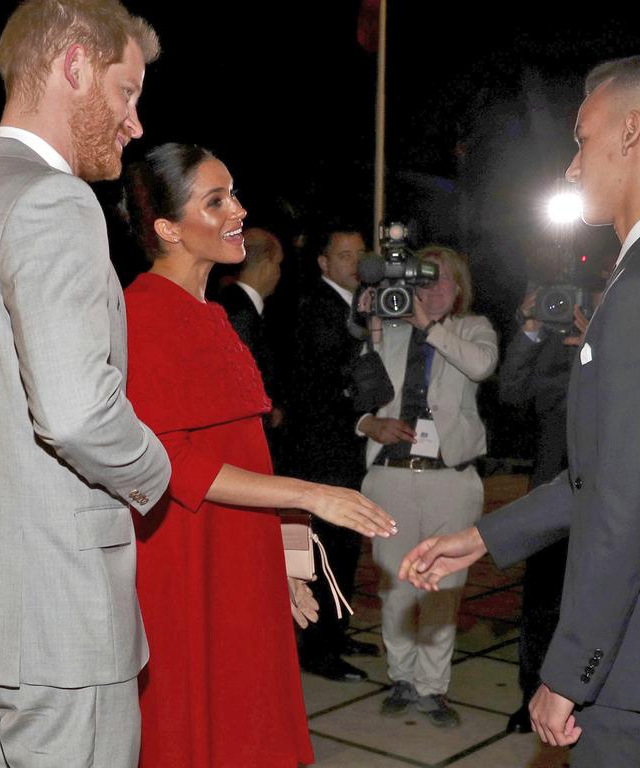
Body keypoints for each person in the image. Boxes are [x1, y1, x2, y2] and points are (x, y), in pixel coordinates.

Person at [400, 53, 640, 767]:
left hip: (631, 656)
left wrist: (568, 670)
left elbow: (626, 505)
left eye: (581, 140)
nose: (570, 167)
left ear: (631, 132)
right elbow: (617, 475)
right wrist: (487, 536)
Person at [0, 3, 171, 765]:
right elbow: (73, 414)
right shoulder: (53, 199)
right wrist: (155, 470)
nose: (135, 123)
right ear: (73, 66)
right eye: (126, 91)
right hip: (61, 621)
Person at [120, 143, 397, 768]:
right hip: (186, 552)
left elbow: (248, 447)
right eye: (215, 201)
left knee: (248, 718)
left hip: (242, 545)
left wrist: (288, 550)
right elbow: (171, 462)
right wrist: (311, 494)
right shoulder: (141, 313)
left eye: (234, 194)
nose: (239, 210)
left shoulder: (214, 315)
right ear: (167, 228)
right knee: (196, 723)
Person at [357, 246, 498, 727]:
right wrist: (366, 424)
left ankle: (433, 687)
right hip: (392, 476)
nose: (433, 289)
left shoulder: (473, 329)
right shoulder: (390, 326)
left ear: (459, 288)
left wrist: (429, 327)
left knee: (443, 586)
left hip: (450, 479)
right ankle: (401, 676)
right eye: (424, 280)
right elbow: (360, 385)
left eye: (443, 281)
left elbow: (480, 367)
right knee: (395, 585)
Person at [497, 287, 599, 734]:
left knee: (598, 608)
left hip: (609, 507)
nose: (582, 314)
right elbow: (512, 391)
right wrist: (533, 328)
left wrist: (603, 347)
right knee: (541, 608)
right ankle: (530, 697)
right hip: (551, 501)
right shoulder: (559, 357)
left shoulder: (626, 355)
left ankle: (588, 704)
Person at [291, 225, 382, 682]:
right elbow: (324, 380)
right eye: (344, 255)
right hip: (322, 453)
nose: (354, 263)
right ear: (324, 263)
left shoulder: (359, 306)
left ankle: (337, 634)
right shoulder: (318, 308)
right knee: (325, 551)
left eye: (360, 254)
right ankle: (318, 649)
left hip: (347, 449)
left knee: (346, 549)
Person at [217, 227, 286, 435]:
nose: (278, 273)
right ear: (266, 266)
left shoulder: (236, 304)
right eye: (278, 264)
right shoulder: (239, 312)